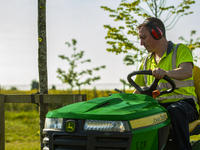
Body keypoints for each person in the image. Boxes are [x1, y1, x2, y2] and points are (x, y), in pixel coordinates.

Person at [134, 17, 199, 150]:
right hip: (158, 107)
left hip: (185, 105)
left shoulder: (180, 50)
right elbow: (138, 90)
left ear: (158, 33)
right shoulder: (146, 61)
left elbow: (187, 71)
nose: (141, 43)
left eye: (144, 37)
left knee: (174, 111)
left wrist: (166, 73)